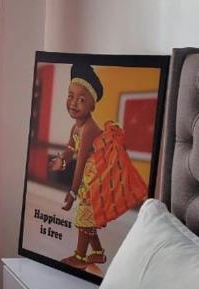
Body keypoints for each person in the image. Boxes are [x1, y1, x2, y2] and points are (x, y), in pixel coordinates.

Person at [47, 63, 147, 274]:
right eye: (70, 96)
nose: (73, 103)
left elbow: (81, 162)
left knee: (84, 217)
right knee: (87, 218)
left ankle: (80, 257)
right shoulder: (77, 126)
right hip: (88, 179)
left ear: (92, 106)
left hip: (95, 180)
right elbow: (69, 148)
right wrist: (61, 160)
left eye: (81, 99)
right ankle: (99, 252)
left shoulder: (89, 129)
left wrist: (72, 192)